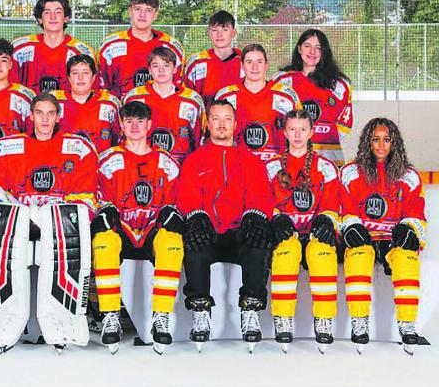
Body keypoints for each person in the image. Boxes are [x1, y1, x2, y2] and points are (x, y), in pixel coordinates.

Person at [0, 93, 99, 352]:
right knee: (2, 229)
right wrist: (30, 216)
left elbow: (84, 200)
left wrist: (41, 215)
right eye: (39, 113)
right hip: (19, 226)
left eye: (50, 113)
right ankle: (1, 324)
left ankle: (64, 325)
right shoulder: (4, 148)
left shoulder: (79, 148)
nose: (44, 119)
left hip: (57, 229)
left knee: (67, 230)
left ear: (58, 116)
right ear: (30, 115)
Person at [176, 99, 275, 352]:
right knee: (193, 244)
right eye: (216, 118)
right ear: (207, 124)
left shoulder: (251, 161)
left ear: (236, 124)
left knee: (259, 242)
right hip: (209, 231)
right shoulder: (194, 160)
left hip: (238, 232)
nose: (222, 124)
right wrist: (195, 215)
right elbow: (186, 194)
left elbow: (262, 194)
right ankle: (200, 311)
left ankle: (250, 309)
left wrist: (255, 215)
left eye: (227, 119)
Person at [91, 101, 183, 354]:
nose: (134, 126)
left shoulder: (166, 162)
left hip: (152, 231)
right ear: (121, 124)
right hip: (123, 231)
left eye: (140, 121)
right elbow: (98, 197)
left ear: (149, 125)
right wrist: (104, 209)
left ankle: (161, 317)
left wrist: (171, 212)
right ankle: (110, 316)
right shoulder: (108, 159)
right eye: (129, 121)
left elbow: (176, 201)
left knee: (172, 241)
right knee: (104, 241)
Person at [339, 118, 426, 355]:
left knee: (408, 259)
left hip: (392, 241)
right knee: (358, 255)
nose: (380, 145)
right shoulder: (350, 172)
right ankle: (360, 322)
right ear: (367, 142)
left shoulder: (408, 176)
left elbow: (416, 212)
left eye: (386, 140)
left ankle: (407, 324)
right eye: (375, 139)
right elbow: (344, 208)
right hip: (365, 238)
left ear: (394, 143)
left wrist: (409, 227)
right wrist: (351, 225)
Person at [265, 109, 341, 353]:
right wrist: (276, 218)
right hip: (287, 234)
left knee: (322, 253)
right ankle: (283, 318)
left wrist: (326, 220)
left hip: (313, 232)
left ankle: (324, 319)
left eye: (303, 129)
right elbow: (264, 203)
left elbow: (332, 204)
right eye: (292, 129)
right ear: (285, 132)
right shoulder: (271, 166)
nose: (297, 135)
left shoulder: (326, 167)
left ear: (311, 132)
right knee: (286, 251)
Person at [273, 29, 352, 166]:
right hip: (290, 155)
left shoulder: (340, 84)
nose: (312, 52)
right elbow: (275, 120)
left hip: (327, 155)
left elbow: (344, 126)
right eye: (307, 46)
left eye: (318, 48)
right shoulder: (281, 80)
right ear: (299, 49)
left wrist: (322, 137)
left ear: (324, 52)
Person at [215, 44, 301, 160]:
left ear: (266, 65)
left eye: (259, 62)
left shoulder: (287, 96)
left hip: (276, 168)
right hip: (238, 167)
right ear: (242, 66)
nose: (255, 67)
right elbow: (215, 137)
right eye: (249, 62)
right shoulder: (226, 96)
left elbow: (301, 133)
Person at [123, 46, 206, 163]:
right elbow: (124, 137)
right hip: (144, 167)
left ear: (175, 69)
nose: (161, 70)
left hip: (182, 167)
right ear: (150, 70)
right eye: (156, 66)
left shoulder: (192, 100)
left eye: (166, 65)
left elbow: (200, 138)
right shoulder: (134, 97)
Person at [99, 0, 184, 100]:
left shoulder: (171, 47)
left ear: (155, 15)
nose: (142, 15)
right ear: (130, 11)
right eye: (137, 9)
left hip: (160, 113)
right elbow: (103, 89)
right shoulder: (111, 46)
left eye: (148, 10)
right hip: (125, 113)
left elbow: (177, 89)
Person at [12, 0, 96, 93]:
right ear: (39, 19)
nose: (53, 17)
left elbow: (91, 94)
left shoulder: (82, 52)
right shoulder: (20, 49)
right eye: (47, 12)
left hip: (70, 108)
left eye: (58, 12)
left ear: (66, 18)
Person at [52, 54, 121, 154]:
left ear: (93, 77)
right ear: (68, 78)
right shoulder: (54, 102)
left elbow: (118, 140)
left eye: (85, 73)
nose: (80, 78)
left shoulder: (110, 103)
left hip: (99, 166)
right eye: (75, 73)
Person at [184, 10, 243, 107]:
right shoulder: (196, 63)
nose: (219, 35)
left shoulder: (245, 63)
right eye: (215, 30)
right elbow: (187, 98)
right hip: (205, 120)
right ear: (209, 33)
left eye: (224, 30)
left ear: (234, 33)